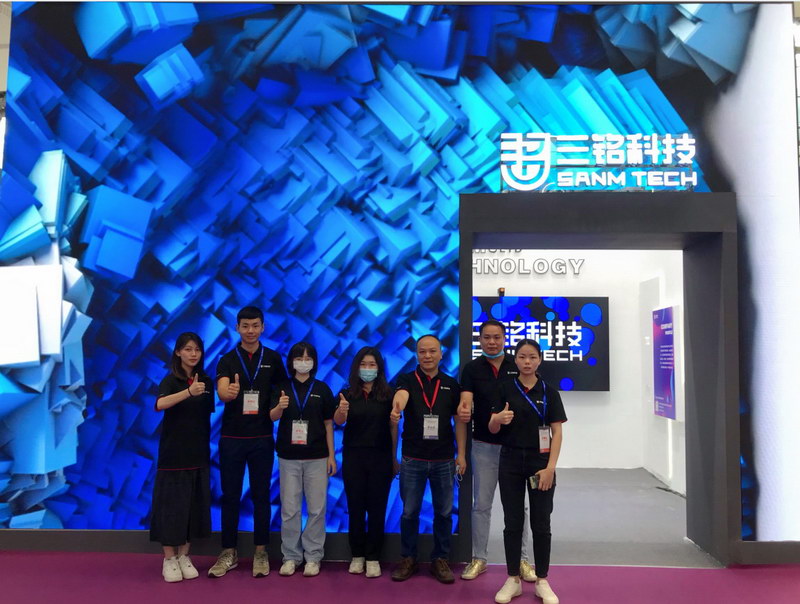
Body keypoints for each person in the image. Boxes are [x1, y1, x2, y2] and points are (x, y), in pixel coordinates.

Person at [209, 306, 288, 578]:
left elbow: (281, 391)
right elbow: (222, 389)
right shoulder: (227, 359)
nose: (250, 330)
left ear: (263, 327)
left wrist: (278, 406)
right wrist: (228, 393)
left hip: (262, 438)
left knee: (261, 495)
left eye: (255, 325)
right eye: (245, 326)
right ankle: (228, 551)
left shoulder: (273, 358)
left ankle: (260, 551)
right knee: (230, 495)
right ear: (237, 328)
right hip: (232, 438)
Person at [489, 339, 566, 604]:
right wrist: (497, 420)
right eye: (522, 357)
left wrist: (550, 468)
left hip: (539, 463)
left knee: (541, 523)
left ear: (539, 359)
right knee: (512, 522)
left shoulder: (549, 392)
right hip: (510, 461)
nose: (527, 362)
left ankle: (542, 580)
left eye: (532, 357)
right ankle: (513, 579)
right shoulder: (504, 388)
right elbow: (492, 427)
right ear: (516, 359)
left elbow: (557, 433)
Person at [458, 320, 535, 581]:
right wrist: (464, 408)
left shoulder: (517, 364)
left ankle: (522, 560)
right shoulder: (472, 369)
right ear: (480, 339)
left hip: (515, 447)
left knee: (518, 507)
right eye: (487, 337)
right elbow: (466, 399)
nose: (492, 342)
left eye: (497, 337)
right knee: (481, 505)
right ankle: (479, 558)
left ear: (504, 338)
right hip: (483, 447)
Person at [390, 334, 467, 584]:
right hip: (413, 458)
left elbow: (459, 422)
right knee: (409, 512)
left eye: (432, 351)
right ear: (416, 354)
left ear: (441, 354)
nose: (427, 356)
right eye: (422, 351)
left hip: (444, 459)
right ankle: (408, 558)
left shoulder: (451, 384)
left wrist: (461, 454)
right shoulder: (406, 379)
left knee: (443, 512)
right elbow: (401, 396)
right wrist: (397, 407)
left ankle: (440, 559)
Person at [150, 332, 214, 583]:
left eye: (197, 349)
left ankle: (184, 555)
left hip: (198, 453)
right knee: (171, 508)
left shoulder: (206, 381)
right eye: (188, 349)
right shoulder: (171, 380)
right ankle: (169, 558)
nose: (193, 354)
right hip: (173, 455)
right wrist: (188, 392)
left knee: (192, 507)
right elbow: (160, 404)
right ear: (178, 352)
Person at [271, 341, 336, 578]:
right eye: (299, 358)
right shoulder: (281, 388)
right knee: (290, 509)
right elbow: (271, 417)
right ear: (291, 362)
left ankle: (313, 556)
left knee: (317, 509)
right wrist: (279, 407)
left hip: (317, 456)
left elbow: (328, 424)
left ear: (314, 362)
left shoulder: (322, 389)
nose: (303, 362)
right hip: (288, 456)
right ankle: (291, 556)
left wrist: (331, 456)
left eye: (308, 358)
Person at [334, 347, 398, 579]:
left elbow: (393, 428)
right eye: (364, 364)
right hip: (354, 457)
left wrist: (394, 458)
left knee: (378, 508)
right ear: (356, 367)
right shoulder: (347, 393)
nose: (368, 369)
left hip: (381, 457)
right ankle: (357, 555)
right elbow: (338, 421)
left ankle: (373, 557)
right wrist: (342, 411)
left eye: (372, 365)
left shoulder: (389, 394)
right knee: (356, 507)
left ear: (379, 368)